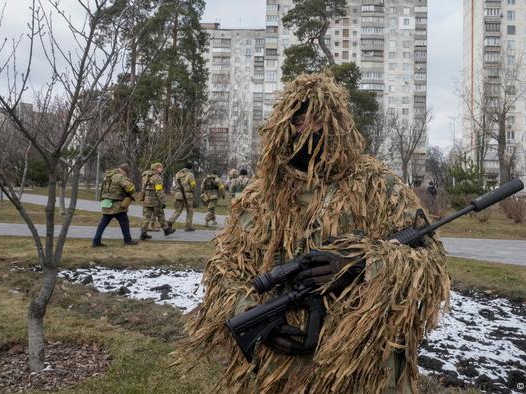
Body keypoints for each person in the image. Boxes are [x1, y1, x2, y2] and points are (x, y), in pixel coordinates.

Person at [179, 73, 451, 393]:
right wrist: (253, 315)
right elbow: (225, 269)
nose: (307, 129)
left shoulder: (376, 185)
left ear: (336, 124)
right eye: (297, 120)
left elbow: (430, 261)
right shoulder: (261, 194)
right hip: (278, 371)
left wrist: (365, 264)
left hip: (358, 370)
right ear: (284, 125)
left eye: (317, 119)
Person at [92, 163, 137, 247]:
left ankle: (96, 241)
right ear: (124, 171)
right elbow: (130, 188)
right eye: (126, 173)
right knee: (124, 222)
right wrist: (131, 189)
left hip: (107, 203)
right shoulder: (119, 176)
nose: (126, 174)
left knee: (103, 224)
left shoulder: (108, 175)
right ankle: (128, 240)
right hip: (117, 204)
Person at [139, 162, 176, 240]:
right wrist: (163, 201)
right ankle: (166, 230)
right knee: (160, 214)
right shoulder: (157, 177)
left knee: (146, 217)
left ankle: (143, 233)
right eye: (161, 168)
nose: (162, 169)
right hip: (155, 200)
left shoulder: (145, 176)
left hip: (146, 200)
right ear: (157, 168)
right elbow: (159, 190)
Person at [168, 163, 197, 232]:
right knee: (189, 211)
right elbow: (193, 185)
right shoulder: (190, 175)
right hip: (187, 195)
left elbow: (174, 184)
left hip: (178, 194)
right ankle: (188, 226)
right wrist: (192, 192)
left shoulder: (177, 174)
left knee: (178, 210)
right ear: (190, 169)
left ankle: (169, 222)